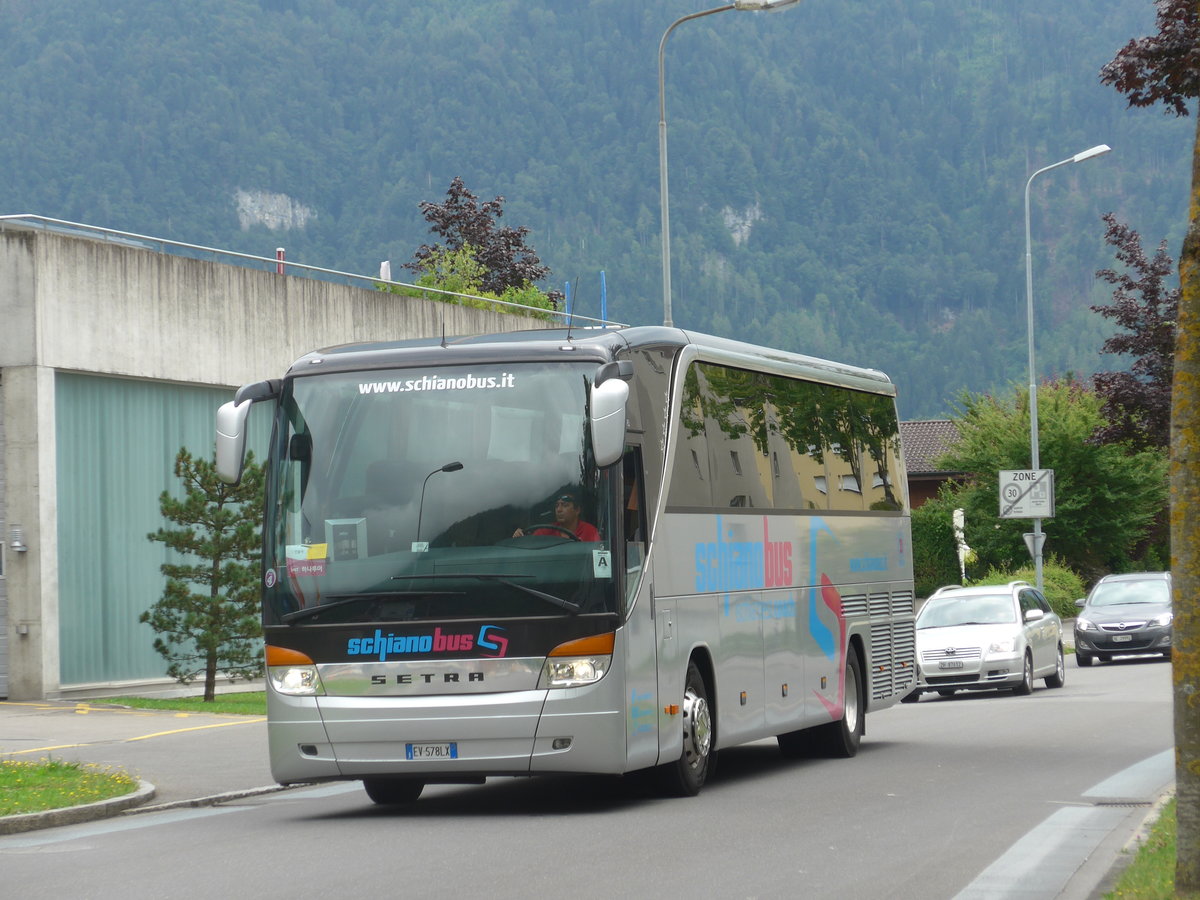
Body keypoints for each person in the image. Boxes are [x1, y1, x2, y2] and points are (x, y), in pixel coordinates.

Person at [513, 492, 599, 541]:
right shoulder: (546, 531)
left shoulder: (590, 532)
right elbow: (531, 545)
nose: (559, 510)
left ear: (577, 510)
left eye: (565, 505)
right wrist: (520, 538)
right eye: (557, 506)